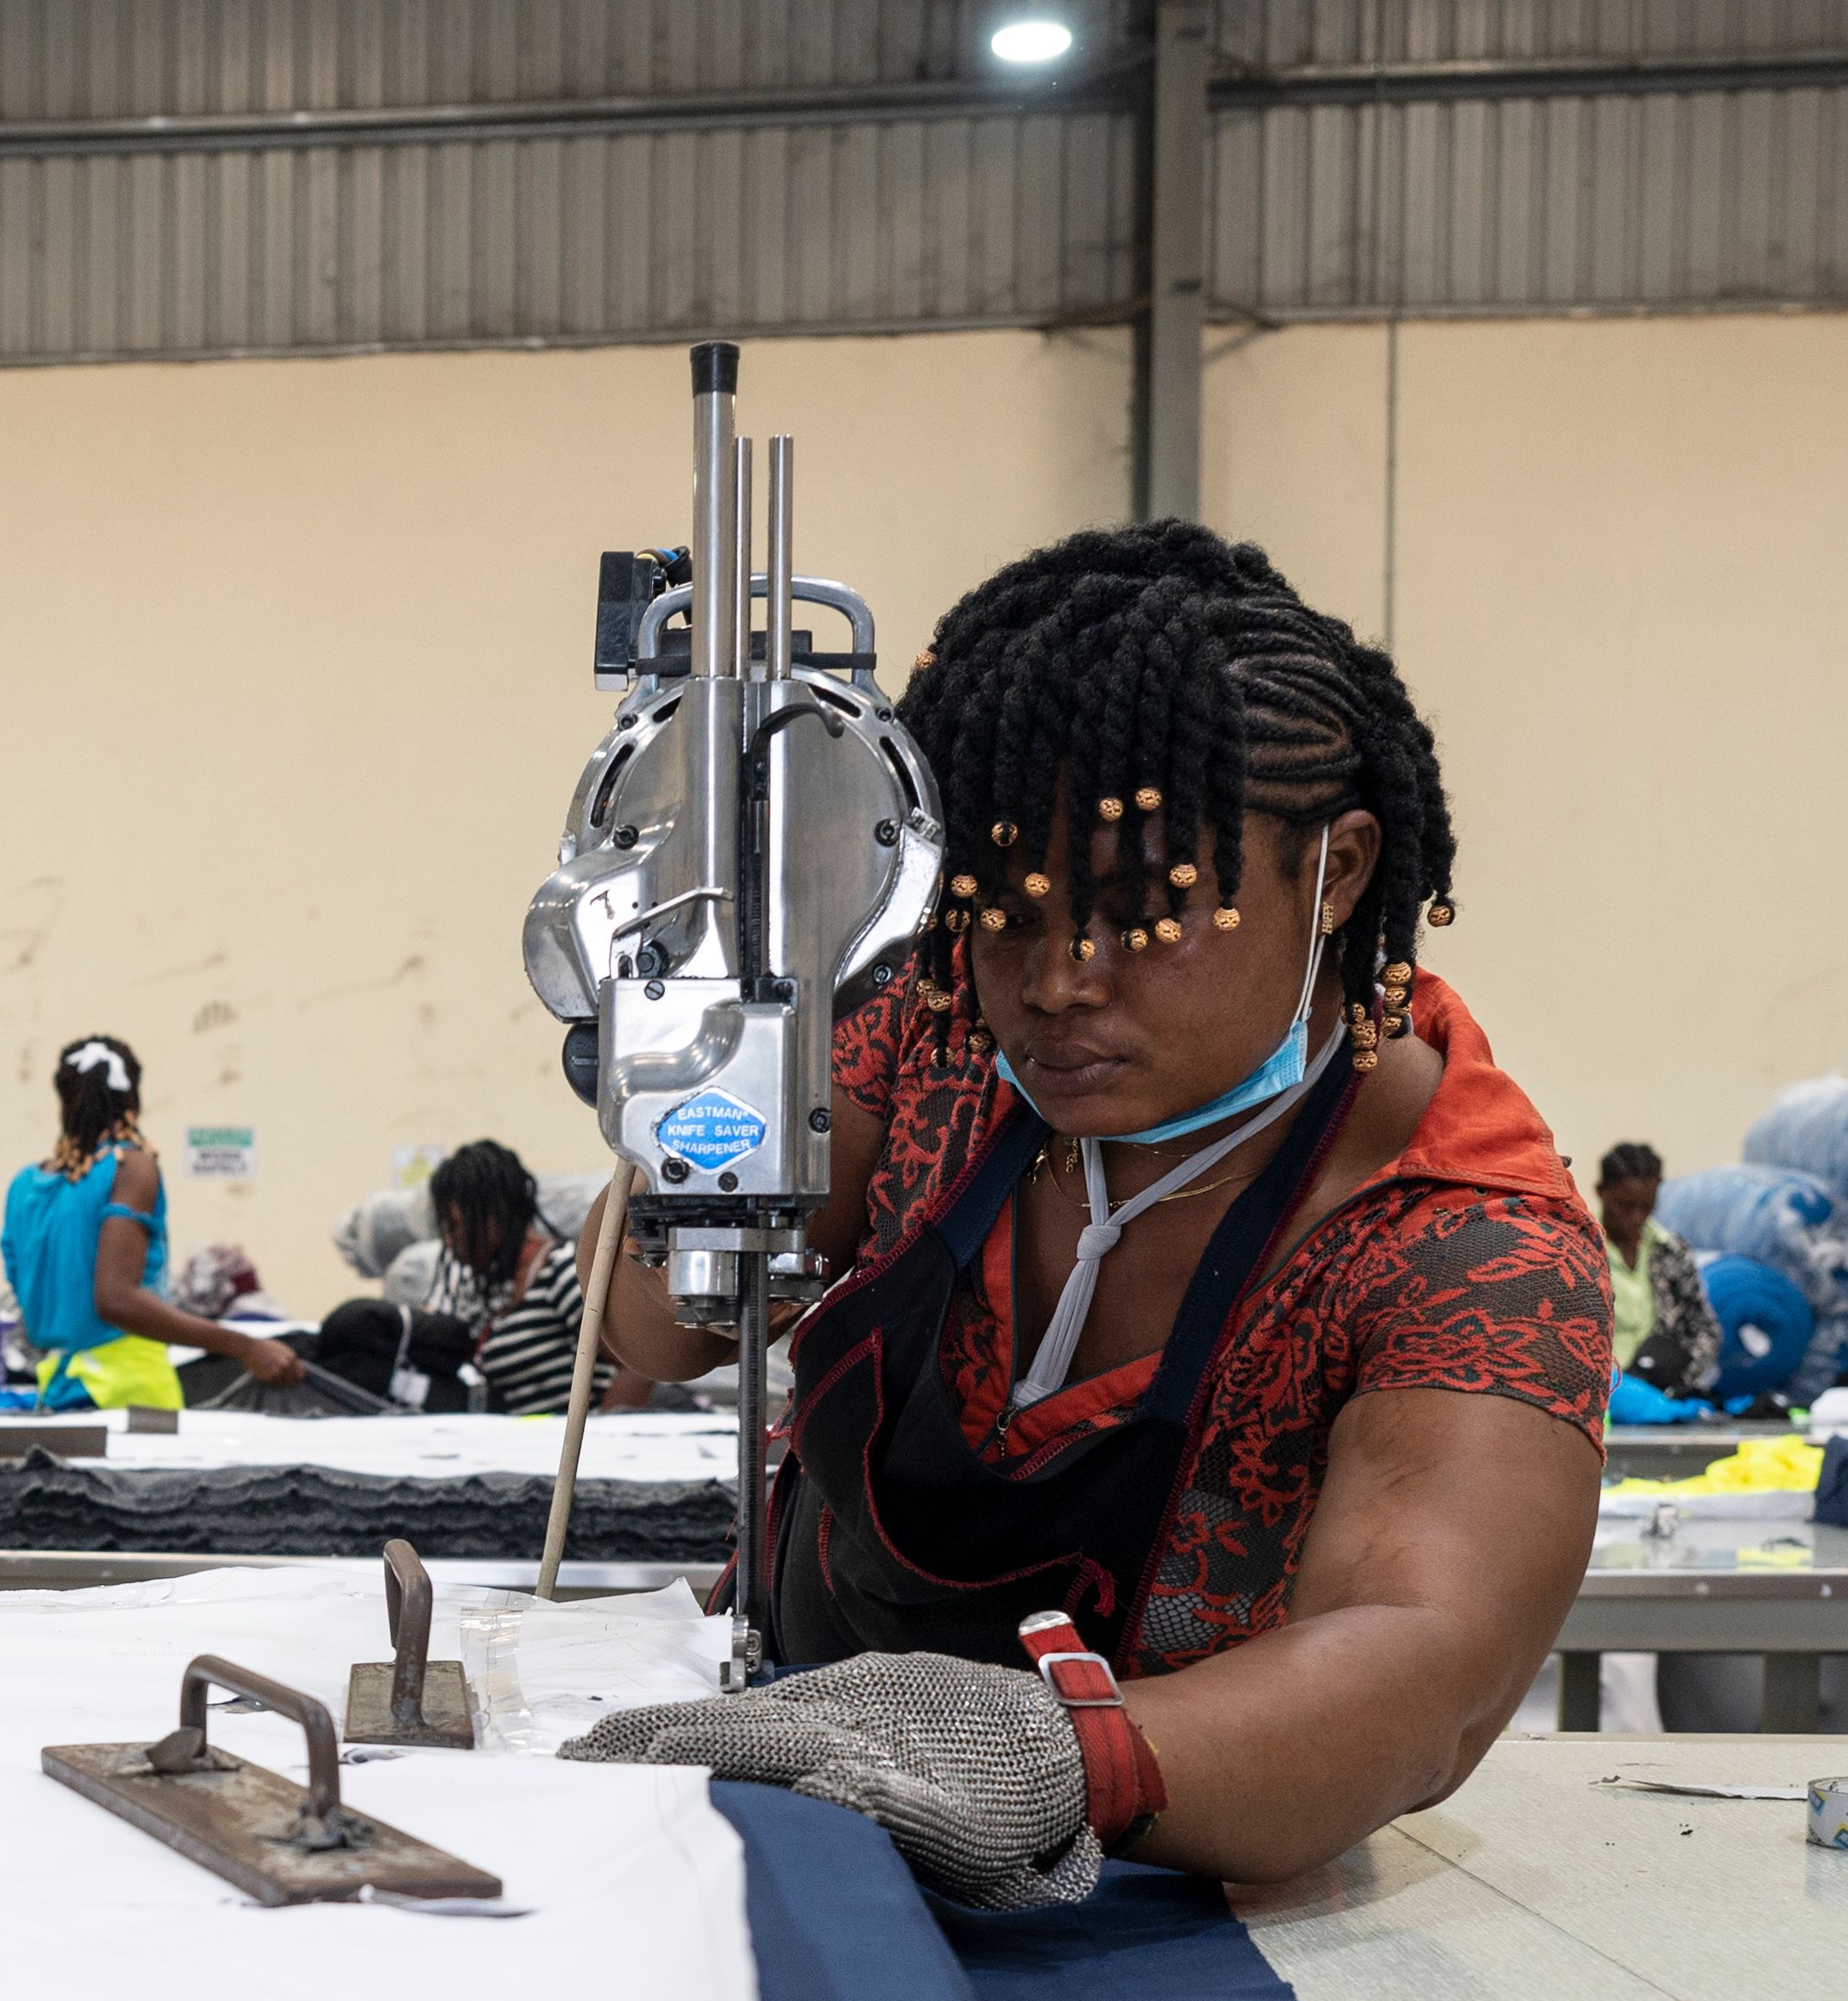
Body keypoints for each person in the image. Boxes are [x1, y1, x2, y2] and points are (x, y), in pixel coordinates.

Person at [575, 523, 1609, 1891]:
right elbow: (649, 1338)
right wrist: (714, 1059)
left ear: (1338, 869)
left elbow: (1421, 1664)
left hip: (1160, 1922)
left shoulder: (1463, 1246)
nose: (1057, 980)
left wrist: (1049, 1754)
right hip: (773, 1814)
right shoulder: (932, 1034)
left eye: (1146, 912)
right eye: (1002, 908)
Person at [0, 1036, 302, 1407]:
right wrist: (246, 1347)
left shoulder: (24, 1185)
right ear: (132, 1099)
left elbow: (27, 1291)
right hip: (130, 1394)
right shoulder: (131, 1166)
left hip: (57, 1391)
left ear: (62, 1099)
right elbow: (116, 1300)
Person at [423, 1139, 626, 1416]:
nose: (449, 1241)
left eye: (456, 1227)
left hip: (580, 1451)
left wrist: (606, 1434)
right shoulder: (488, 1291)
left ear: (494, 1213)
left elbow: (635, 1367)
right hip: (530, 1449)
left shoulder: (561, 1272)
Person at [1595, 1141, 1720, 1396]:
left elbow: (1704, 1331)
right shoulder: (1579, 1249)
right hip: (1594, 1397)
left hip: (1657, 1395)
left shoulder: (1669, 1251)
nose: (1636, 1218)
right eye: (1625, 1206)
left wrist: (1676, 1381)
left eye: (1646, 1207)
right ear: (1601, 1192)